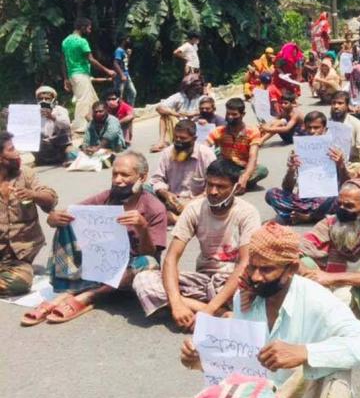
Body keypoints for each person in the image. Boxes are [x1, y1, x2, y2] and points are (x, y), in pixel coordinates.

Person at [151, 222, 360, 398]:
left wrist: (304, 352)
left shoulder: (316, 299)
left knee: (338, 376)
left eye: (266, 270)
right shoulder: (246, 297)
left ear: (292, 269)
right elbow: (240, 363)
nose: (256, 277)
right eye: (252, 267)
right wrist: (199, 357)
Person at [35, 151, 166, 324]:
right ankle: (69, 290)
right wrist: (53, 218)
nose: (118, 180)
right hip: (102, 263)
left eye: (125, 175)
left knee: (148, 261)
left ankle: (89, 296)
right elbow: (72, 212)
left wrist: (142, 228)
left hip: (129, 272)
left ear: (142, 177)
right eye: (115, 174)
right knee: (65, 224)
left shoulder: (154, 208)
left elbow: (151, 254)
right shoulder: (107, 197)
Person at [133, 159, 261, 328]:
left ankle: (201, 311)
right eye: (210, 185)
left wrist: (208, 310)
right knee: (143, 280)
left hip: (234, 282)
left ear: (236, 188)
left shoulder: (247, 213)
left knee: (260, 292)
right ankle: (220, 315)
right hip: (204, 279)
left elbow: (244, 264)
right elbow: (171, 258)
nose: (213, 192)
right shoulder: (194, 209)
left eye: (221, 187)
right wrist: (177, 304)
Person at [299, 178, 360, 335]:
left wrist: (332, 278)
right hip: (330, 294)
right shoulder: (329, 224)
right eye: (340, 204)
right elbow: (299, 247)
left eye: (349, 206)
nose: (342, 210)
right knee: (303, 261)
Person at [0, 133, 58, 300]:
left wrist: (33, 194)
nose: (18, 153)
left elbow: (50, 199)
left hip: (19, 255)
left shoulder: (26, 174)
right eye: (11, 150)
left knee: (20, 282)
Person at [264, 112, 347, 225]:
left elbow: (347, 183)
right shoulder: (299, 150)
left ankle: (302, 217)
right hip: (303, 200)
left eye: (316, 128)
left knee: (340, 200)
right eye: (309, 128)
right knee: (271, 194)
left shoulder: (336, 150)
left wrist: (341, 165)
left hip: (326, 200)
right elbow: (287, 188)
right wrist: (291, 169)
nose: (312, 131)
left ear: (325, 129)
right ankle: (306, 216)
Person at [148, 119, 217, 225]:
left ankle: (176, 219)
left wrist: (190, 203)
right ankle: (180, 220)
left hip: (198, 202)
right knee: (144, 190)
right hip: (172, 202)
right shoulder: (167, 153)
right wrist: (165, 193)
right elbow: (157, 179)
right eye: (176, 138)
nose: (178, 141)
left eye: (183, 138)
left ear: (194, 139)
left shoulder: (206, 155)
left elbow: (214, 187)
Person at [61, 18, 115, 127]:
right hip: (81, 74)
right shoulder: (82, 41)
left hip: (73, 75)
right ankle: (80, 126)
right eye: (89, 28)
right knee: (83, 101)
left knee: (93, 100)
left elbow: (63, 61)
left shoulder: (65, 41)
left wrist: (66, 78)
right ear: (83, 27)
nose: (90, 31)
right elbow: (91, 59)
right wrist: (107, 70)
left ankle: (97, 123)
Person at [206, 98, 268, 194]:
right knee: (214, 154)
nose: (230, 117)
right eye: (228, 114)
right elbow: (204, 146)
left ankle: (231, 183)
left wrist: (245, 176)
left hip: (242, 167)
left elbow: (253, 157)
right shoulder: (220, 130)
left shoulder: (252, 131)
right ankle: (232, 184)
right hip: (225, 166)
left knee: (262, 171)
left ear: (243, 115)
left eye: (234, 114)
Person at [150, 73, 205, 153]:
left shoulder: (201, 98)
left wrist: (193, 114)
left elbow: (209, 109)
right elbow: (159, 108)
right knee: (165, 116)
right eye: (194, 87)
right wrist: (176, 114)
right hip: (179, 124)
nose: (196, 89)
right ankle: (161, 142)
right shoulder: (179, 96)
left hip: (194, 126)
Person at [329, 91, 360, 179]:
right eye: (333, 103)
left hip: (351, 163)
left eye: (340, 103)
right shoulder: (326, 124)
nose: (336, 106)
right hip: (330, 162)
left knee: (358, 170)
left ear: (347, 106)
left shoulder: (357, 124)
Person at [33, 85, 73, 166]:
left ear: (53, 99)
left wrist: (51, 117)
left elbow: (66, 124)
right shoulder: (33, 112)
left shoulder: (61, 110)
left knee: (71, 152)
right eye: (41, 99)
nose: (43, 101)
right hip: (43, 146)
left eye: (47, 98)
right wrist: (11, 117)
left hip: (60, 145)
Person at [113, 36, 136, 106]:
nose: (129, 41)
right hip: (120, 76)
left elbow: (125, 63)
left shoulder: (124, 51)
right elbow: (115, 63)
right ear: (123, 40)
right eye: (127, 39)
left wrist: (128, 56)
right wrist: (122, 75)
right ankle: (118, 112)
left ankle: (129, 109)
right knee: (119, 95)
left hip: (126, 75)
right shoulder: (119, 50)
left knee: (132, 92)